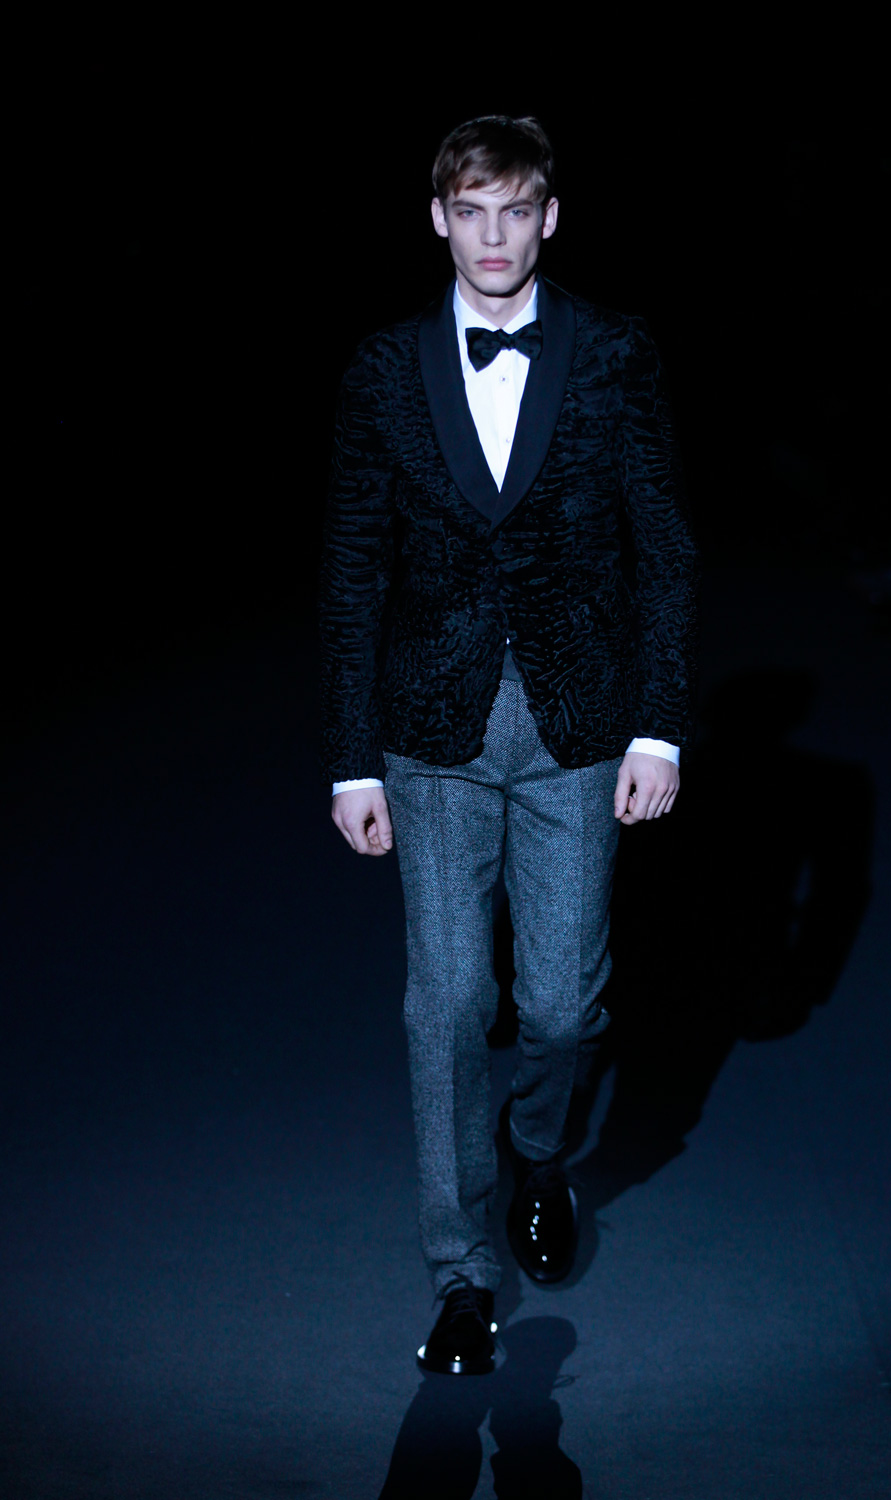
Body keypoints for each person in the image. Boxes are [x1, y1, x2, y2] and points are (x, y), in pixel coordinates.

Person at [321, 115, 698, 1375]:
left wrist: (659, 726)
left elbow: (664, 542)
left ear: (549, 218)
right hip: (429, 728)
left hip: (580, 724)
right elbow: (352, 568)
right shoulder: (383, 367)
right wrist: (351, 756)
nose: (493, 236)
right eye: (470, 212)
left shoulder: (613, 350)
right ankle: (459, 1275)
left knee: (561, 1003)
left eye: (515, 211)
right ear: (439, 218)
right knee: (446, 1004)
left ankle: (536, 1151)